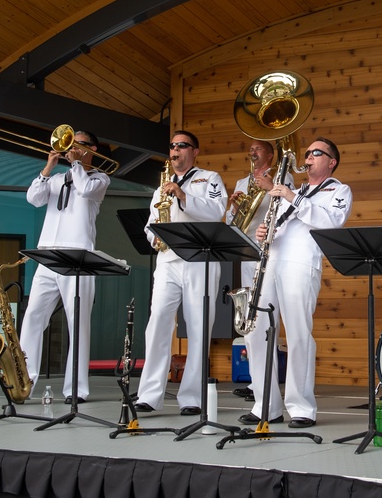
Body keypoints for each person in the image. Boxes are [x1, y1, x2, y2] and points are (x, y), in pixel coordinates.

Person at [234, 137, 351, 428]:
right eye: (308, 152)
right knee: (255, 332)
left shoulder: (338, 190)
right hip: (270, 261)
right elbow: (283, 225)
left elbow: (330, 221)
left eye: (316, 153)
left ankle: (301, 407)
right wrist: (265, 231)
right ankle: (265, 404)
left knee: (298, 334)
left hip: (301, 264)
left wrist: (291, 197)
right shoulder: (292, 191)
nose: (308, 157)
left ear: (331, 161)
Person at [135, 130, 227, 416]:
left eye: (182, 146)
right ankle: (149, 395)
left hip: (200, 259)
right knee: (158, 324)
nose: (175, 151)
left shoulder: (210, 178)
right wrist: (154, 238)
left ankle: (192, 397)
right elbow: (151, 223)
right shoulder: (161, 186)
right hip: (168, 260)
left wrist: (183, 195)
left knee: (199, 327)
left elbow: (217, 211)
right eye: (172, 146)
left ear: (195, 151)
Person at [20, 130, 110, 404]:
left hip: (78, 257)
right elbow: (34, 198)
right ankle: (23, 383)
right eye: (69, 144)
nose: (71, 148)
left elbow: (83, 189)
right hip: (48, 255)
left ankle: (75, 389)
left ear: (92, 149)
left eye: (78, 144)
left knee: (77, 323)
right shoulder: (58, 179)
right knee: (33, 318)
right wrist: (48, 167)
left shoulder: (99, 179)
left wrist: (76, 164)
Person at [225, 139, 293, 403]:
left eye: (259, 149)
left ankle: (267, 384)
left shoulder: (282, 175)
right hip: (247, 252)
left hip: (272, 250)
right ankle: (256, 383)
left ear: (271, 154)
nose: (253, 152)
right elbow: (235, 223)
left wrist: (269, 188)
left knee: (266, 321)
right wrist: (233, 207)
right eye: (251, 149)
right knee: (249, 319)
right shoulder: (243, 182)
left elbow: (288, 207)